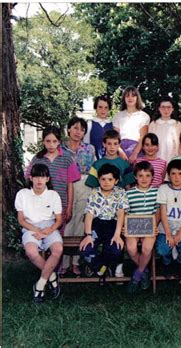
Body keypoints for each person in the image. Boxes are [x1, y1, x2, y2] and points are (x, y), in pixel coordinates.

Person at [15, 164, 63, 304]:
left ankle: (40, 285)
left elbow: (59, 220)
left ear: (47, 178)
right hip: (30, 226)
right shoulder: (22, 194)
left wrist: (47, 231)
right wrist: (37, 231)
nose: (39, 180)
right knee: (31, 251)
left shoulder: (53, 195)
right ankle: (52, 276)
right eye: (36, 176)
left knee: (58, 249)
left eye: (42, 176)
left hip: (50, 226)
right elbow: (21, 220)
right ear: (31, 178)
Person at [25, 126, 81, 234]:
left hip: (61, 204)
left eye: (54, 141)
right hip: (40, 204)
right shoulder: (37, 159)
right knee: (41, 232)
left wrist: (69, 207)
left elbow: (70, 185)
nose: (51, 145)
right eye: (48, 141)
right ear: (43, 142)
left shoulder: (67, 158)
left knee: (57, 235)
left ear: (59, 141)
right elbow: (30, 179)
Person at [79, 164, 129, 278]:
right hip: (96, 225)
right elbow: (89, 214)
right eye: (103, 179)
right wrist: (88, 234)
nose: (106, 182)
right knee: (85, 249)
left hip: (113, 225)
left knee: (116, 250)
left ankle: (105, 264)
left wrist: (117, 235)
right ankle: (100, 266)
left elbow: (121, 214)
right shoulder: (94, 193)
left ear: (116, 181)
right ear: (98, 180)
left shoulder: (121, 192)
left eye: (110, 179)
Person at [62, 117, 96, 276]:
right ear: (68, 129)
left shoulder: (90, 149)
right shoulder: (61, 149)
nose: (78, 132)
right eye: (75, 128)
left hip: (84, 185)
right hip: (65, 186)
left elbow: (93, 170)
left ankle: (75, 263)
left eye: (82, 130)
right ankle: (63, 263)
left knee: (81, 223)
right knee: (67, 221)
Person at [156, 159, 181, 279]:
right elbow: (162, 212)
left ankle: (180, 262)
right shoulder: (163, 189)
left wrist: (180, 233)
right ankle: (167, 263)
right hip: (165, 227)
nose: (176, 177)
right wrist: (168, 234)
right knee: (163, 250)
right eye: (173, 173)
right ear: (168, 175)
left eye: (180, 173)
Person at [124, 161, 160, 293]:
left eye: (147, 176)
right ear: (135, 177)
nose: (144, 179)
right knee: (131, 249)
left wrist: (155, 225)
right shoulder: (129, 194)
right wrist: (125, 226)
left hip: (149, 226)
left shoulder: (156, 193)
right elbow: (126, 213)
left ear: (152, 177)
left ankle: (137, 276)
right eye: (140, 175)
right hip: (133, 226)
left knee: (146, 248)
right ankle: (144, 270)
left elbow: (158, 212)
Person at [112, 86, 150, 163]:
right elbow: (115, 136)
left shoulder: (144, 116)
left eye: (133, 95)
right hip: (120, 149)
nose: (130, 98)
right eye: (127, 96)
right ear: (124, 98)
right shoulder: (118, 116)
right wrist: (120, 151)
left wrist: (135, 154)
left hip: (137, 149)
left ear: (137, 98)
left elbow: (143, 136)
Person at [148, 95, 181, 163]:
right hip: (157, 158)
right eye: (163, 107)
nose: (166, 110)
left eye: (169, 107)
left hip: (174, 158)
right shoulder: (153, 124)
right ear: (159, 109)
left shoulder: (179, 125)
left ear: (172, 109)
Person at [84, 94, 113, 159]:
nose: (103, 110)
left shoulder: (112, 125)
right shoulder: (90, 124)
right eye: (100, 107)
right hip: (93, 161)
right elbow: (86, 145)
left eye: (106, 107)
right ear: (95, 108)